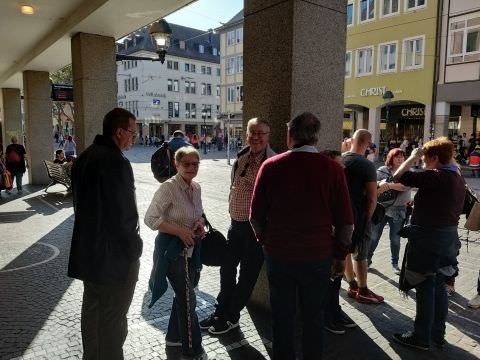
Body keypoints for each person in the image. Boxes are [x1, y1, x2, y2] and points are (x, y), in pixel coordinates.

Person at [250, 113, 354, 359]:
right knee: (313, 317)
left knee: (282, 316)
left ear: (290, 136)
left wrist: (264, 241)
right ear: (316, 137)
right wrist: (340, 256)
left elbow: (255, 216)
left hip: (279, 255)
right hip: (318, 256)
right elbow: (346, 222)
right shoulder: (333, 169)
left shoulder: (271, 166)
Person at [67, 108, 143, 360]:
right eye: (132, 131)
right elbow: (125, 217)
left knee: (92, 313)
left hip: (89, 256)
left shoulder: (85, 157)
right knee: (113, 322)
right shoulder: (117, 162)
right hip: (115, 260)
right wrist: (136, 250)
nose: (135, 137)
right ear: (119, 131)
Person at [199, 117, 275, 335]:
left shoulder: (272, 161)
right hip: (236, 225)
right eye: (252, 132)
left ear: (268, 136)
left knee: (247, 275)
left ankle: (231, 316)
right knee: (227, 268)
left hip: (257, 231)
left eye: (261, 133)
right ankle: (220, 311)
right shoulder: (241, 156)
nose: (256, 137)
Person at [392, 137, 465, 351]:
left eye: (425, 159)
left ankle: (421, 337)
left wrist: (413, 156)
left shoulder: (438, 176)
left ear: (434, 158)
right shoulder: (456, 175)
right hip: (447, 238)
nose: (423, 163)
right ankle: (437, 334)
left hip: (429, 240)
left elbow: (400, 175)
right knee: (439, 287)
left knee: (425, 287)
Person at [145, 147, 206, 360]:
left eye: (195, 164)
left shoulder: (196, 187)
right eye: (186, 164)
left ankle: (173, 337)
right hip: (171, 253)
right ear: (177, 165)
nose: (191, 167)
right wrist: (180, 231)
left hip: (192, 252)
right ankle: (194, 351)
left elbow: (198, 214)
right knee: (189, 301)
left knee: (183, 297)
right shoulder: (168, 188)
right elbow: (150, 219)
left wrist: (199, 224)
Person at [343, 129, 384, 304]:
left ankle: (351, 284)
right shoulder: (367, 165)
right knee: (361, 253)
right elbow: (373, 198)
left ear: (352, 140)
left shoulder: (341, 159)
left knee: (344, 249)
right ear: (367, 144)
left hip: (340, 214)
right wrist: (367, 217)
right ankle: (363, 289)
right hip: (359, 214)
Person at [321, 150, 358, 335]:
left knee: (335, 281)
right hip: (325, 245)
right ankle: (327, 317)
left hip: (338, 243)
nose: (343, 167)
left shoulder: (340, 183)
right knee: (327, 282)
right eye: (338, 163)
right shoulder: (322, 186)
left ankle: (335, 311)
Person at [368, 148, 411, 275]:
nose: (400, 159)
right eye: (397, 156)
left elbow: (405, 186)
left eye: (402, 156)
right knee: (374, 237)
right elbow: (373, 183)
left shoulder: (407, 171)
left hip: (398, 210)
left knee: (395, 239)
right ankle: (367, 260)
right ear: (390, 158)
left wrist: (388, 185)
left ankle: (395, 264)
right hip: (381, 208)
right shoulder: (382, 170)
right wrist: (382, 184)